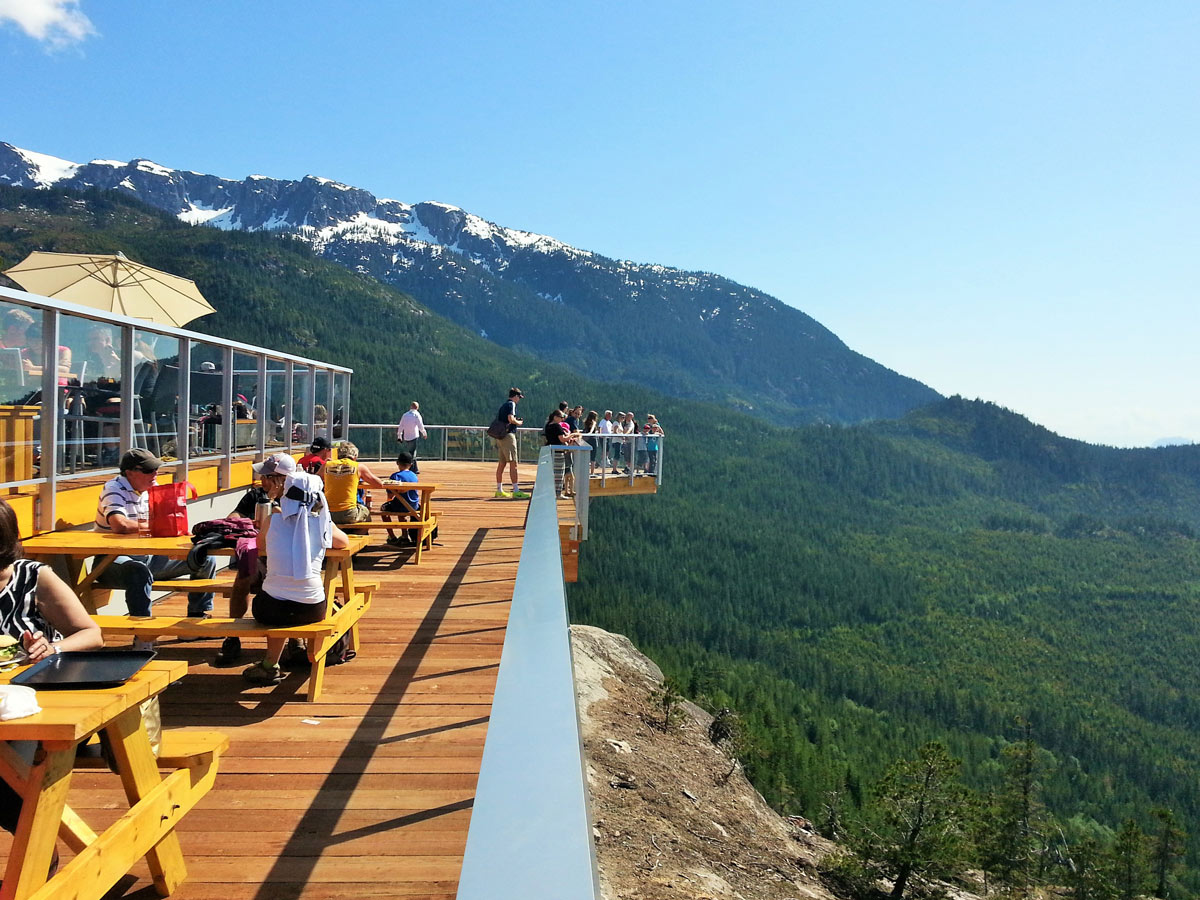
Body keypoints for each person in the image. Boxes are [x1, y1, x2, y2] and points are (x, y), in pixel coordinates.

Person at [0, 497, 103, 840]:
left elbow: (91, 634)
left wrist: (51, 648)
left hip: (32, 701)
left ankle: (38, 856)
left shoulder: (33, 576)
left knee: (10, 776)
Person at [242, 457, 349, 686]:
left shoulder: (273, 520)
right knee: (296, 598)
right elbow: (343, 542)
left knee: (276, 596)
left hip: (270, 609)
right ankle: (298, 655)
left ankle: (270, 665)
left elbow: (261, 547)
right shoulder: (320, 523)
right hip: (311, 609)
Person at [92, 449, 217, 637]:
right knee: (138, 571)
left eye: (156, 469)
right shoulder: (114, 488)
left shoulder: (152, 487)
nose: (155, 474)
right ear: (130, 473)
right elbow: (120, 524)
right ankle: (144, 634)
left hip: (148, 557)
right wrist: (156, 525)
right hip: (111, 561)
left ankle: (195, 621)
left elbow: (168, 522)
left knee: (204, 558)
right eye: (149, 470)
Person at [323, 441, 385, 524]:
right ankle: (362, 534)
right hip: (349, 512)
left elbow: (315, 478)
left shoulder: (327, 465)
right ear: (355, 456)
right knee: (366, 513)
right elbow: (378, 484)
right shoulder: (358, 466)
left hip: (328, 513)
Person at [491, 387, 529, 500]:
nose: (519, 400)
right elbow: (511, 419)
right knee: (514, 463)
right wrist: (519, 422)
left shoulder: (504, 405)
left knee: (502, 463)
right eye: (519, 397)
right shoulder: (511, 405)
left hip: (501, 436)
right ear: (516, 396)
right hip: (508, 436)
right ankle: (516, 490)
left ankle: (499, 489)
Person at [380, 451, 420, 546]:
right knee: (401, 505)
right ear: (411, 464)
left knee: (384, 510)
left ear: (397, 463)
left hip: (400, 505)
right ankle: (404, 535)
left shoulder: (395, 476)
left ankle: (392, 537)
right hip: (414, 505)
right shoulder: (414, 476)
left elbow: (390, 495)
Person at [396, 401, 428, 475]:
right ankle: (412, 469)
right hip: (414, 436)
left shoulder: (405, 415)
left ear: (411, 406)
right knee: (412, 453)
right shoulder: (416, 415)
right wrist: (424, 433)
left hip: (406, 437)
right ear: (417, 408)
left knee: (411, 452)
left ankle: (412, 468)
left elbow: (401, 426)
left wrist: (399, 435)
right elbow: (420, 425)